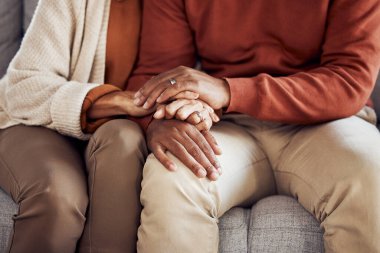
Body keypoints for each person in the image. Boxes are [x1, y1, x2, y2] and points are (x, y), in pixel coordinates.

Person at [129, 0, 380, 252]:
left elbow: (349, 78)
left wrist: (228, 91)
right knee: (171, 175)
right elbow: (157, 73)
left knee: (370, 169)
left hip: (329, 120)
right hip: (227, 124)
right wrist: (156, 121)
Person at [0, 0, 217, 252]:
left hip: (118, 130)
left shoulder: (188, 7)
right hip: (30, 120)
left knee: (125, 139)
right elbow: (23, 89)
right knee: (58, 197)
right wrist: (120, 100)